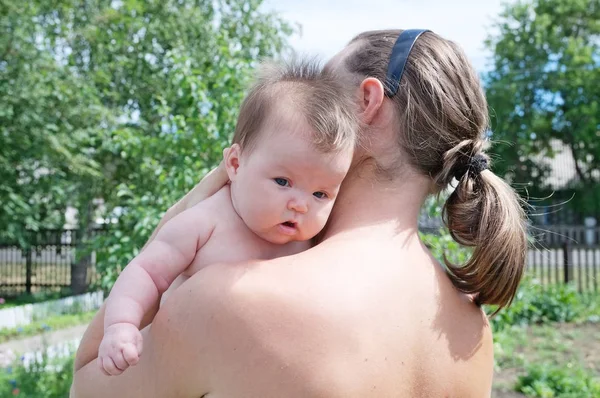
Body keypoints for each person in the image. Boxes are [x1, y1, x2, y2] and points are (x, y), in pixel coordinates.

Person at [71, 29, 527, 397]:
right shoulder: (472, 329)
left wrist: (182, 216)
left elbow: (85, 386)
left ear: (365, 103)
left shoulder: (236, 298)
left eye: (325, 90)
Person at [97, 59, 358, 375]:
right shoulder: (206, 221)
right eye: (282, 182)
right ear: (234, 164)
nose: (301, 205)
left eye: (320, 194)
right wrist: (122, 324)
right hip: (181, 371)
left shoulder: (313, 243)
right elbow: (147, 272)